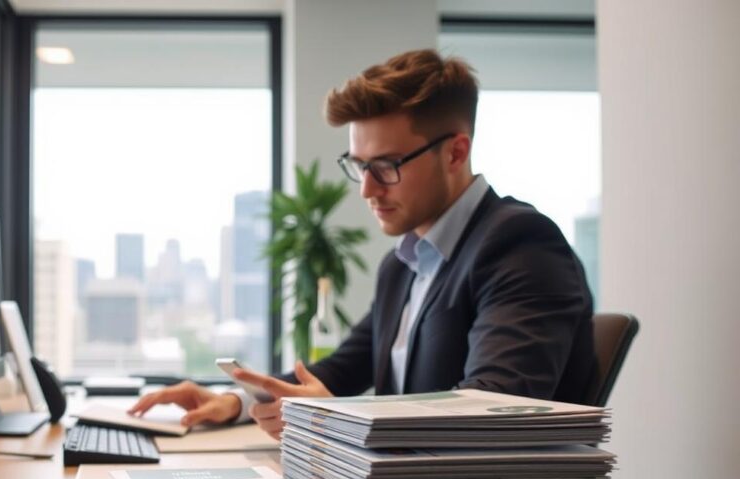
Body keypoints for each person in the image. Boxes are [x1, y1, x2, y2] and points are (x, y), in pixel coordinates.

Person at [129, 49, 595, 440]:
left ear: (456, 151)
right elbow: (338, 372)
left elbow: (490, 412)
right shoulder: (406, 264)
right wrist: (234, 400)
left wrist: (335, 418)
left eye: (388, 165)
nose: (368, 190)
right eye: (359, 166)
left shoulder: (521, 244)